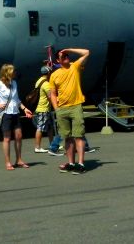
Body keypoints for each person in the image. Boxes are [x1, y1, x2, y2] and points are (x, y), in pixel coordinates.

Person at [0, 64, 33, 171]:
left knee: (19, 136)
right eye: (13, 71)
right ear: (8, 72)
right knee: (7, 138)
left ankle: (19, 160)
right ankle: (8, 162)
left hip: (15, 113)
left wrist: (24, 109)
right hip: (6, 114)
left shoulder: (14, 83)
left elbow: (17, 100)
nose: (15, 73)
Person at [49, 47, 90, 175]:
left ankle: (81, 163)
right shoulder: (54, 75)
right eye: (63, 56)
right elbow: (53, 94)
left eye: (67, 55)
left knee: (79, 135)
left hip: (76, 106)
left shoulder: (75, 66)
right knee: (67, 138)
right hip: (62, 109)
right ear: (58, 60)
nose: (66, 57)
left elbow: (87, 52)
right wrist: (57, 109)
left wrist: (70, 50)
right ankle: (71, 163)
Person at [32, 66, 55, 153]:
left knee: (49, 128)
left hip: (43, 108)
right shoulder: (46, 84)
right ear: (48, 73)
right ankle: (37, 147)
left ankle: (52, 144)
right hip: (43, 109)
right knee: (40, 128)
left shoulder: (39, 81)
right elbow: (50, 96)